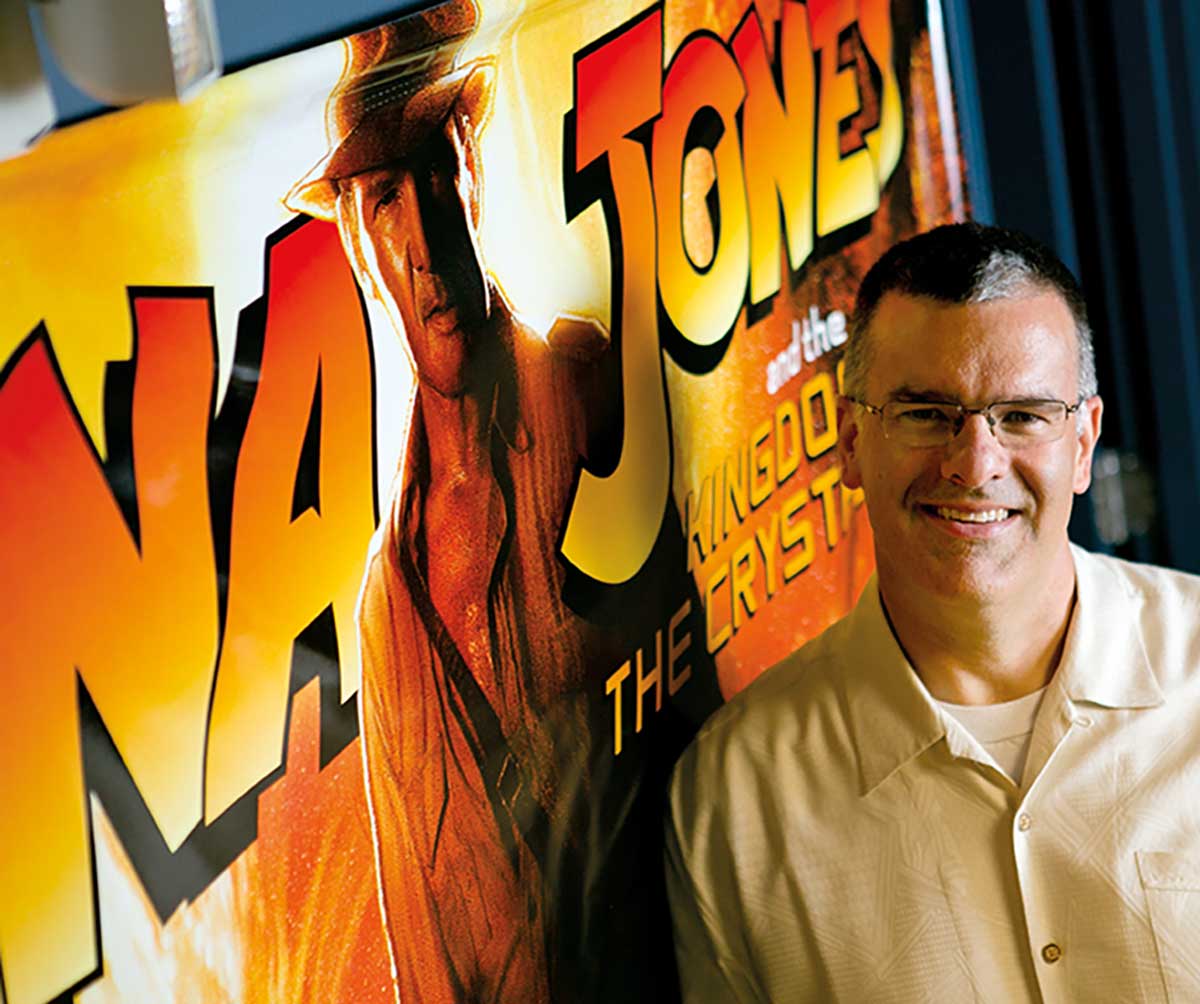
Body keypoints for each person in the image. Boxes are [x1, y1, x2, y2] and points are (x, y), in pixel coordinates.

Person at [287, 5, 713, 1003]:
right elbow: (421, 952)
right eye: (386, 199)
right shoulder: (387, 604)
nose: (424, 239)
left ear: (473, 171)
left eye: (437, 173)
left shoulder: (582, 387)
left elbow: (704, 717)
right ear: (355, 240)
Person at [664, 222, 1200, 1002]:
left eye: (1022, 416)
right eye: (924, 413)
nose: (975, 464)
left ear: (1083, 444)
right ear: (851, 440)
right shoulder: (735, 799)